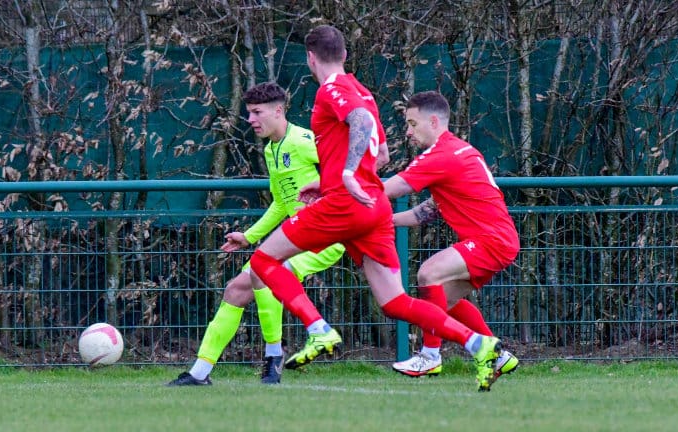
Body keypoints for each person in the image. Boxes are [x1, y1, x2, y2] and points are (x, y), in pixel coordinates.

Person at [240, 24, 506, 391]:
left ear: (310, 58)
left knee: (263, 261)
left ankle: (318, 330)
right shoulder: (362, 91)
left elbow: (361, 124)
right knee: (395, 301)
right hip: (372, 204)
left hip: (345, 203)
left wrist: (346, 174)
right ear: (345, 55)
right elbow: (381, 154)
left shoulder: (331, 89)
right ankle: (480, 344)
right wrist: (333, 177)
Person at [168, 82, 345, 386]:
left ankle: (274, 355)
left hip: (325, 235)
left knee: (266, 271)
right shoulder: (271, 149)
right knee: (235, 290)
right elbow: (281, 203)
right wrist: (249, 236)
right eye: (249, 113)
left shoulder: (303, 141)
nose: (250, 119)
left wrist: (328, 194)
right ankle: (199, 373)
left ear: (279, 111)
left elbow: (346, 170)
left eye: (257, 112)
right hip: (297, 236)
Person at [384, 91, 519, 384]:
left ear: (433, 121)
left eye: (412, 124)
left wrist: (341, 195)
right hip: (498, 239)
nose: (408, 132)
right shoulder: (458, 150)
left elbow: (389, 189)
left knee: (428, 273)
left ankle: (430, 357)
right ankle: (496, 354)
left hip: (491, 239)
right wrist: (388, 221)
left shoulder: (441, 155)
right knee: (441, 301)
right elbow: (425, 212)